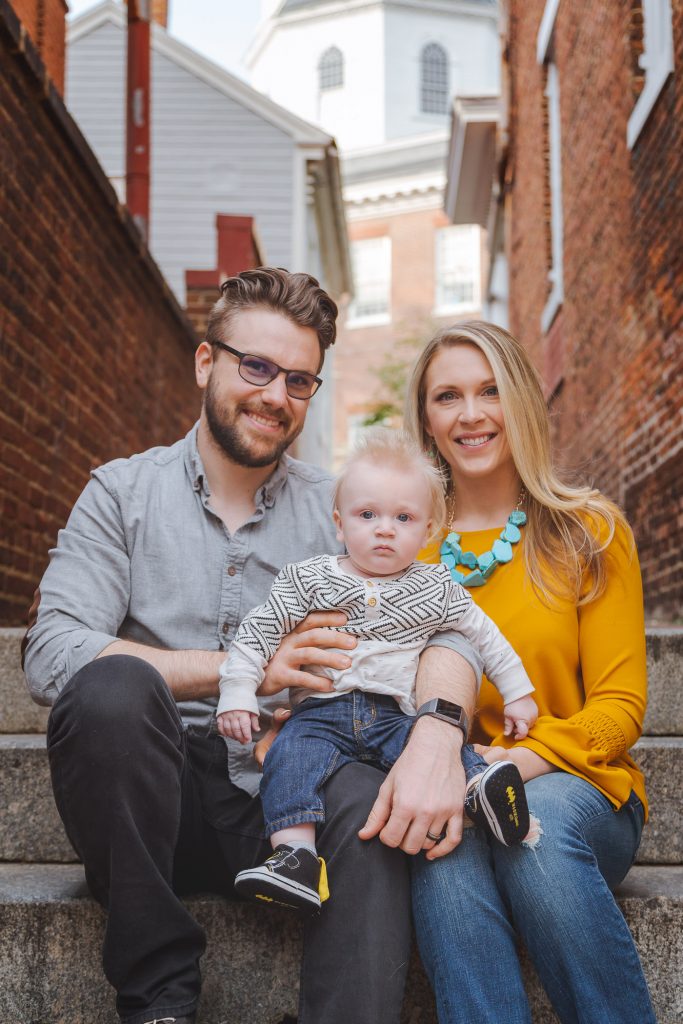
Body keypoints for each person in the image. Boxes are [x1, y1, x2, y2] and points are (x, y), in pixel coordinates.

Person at [22, 268, 480, 1024]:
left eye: (299, 380)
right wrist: (243, 672)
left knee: (366, 792)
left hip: (279, 795)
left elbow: (445, 622)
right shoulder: (121, 494)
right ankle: (160, 1000)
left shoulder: (343, 513)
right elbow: (51, 655)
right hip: (142, 801)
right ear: (207, 363)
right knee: (112, 690)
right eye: (256, 367)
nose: (275, 395)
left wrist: (436, 723)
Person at [403, 320, 656, 1023]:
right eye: (446, 396)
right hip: (451, 786)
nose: (471, 413)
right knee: (442, 844)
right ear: (426, 420)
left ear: (519, 401)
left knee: (523, 822)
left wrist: (518, 762)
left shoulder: (587, 531)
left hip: (580, 787)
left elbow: (619, 704)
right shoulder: (404, 547)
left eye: (489, 391)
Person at [216, 430, 537, 914]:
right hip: (320, 713)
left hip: (393, 713)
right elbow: (257, 633)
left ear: (428, 531)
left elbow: (484, 635)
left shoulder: (435, 586)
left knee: (433, 752)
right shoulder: (310, 579)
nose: (384, 529)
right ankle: (296, 857)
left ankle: (485, 790)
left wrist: (517, 692)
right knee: (287, 758)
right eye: (368, 515)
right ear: (340, 524)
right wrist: (238, 690)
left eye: (403, 518)